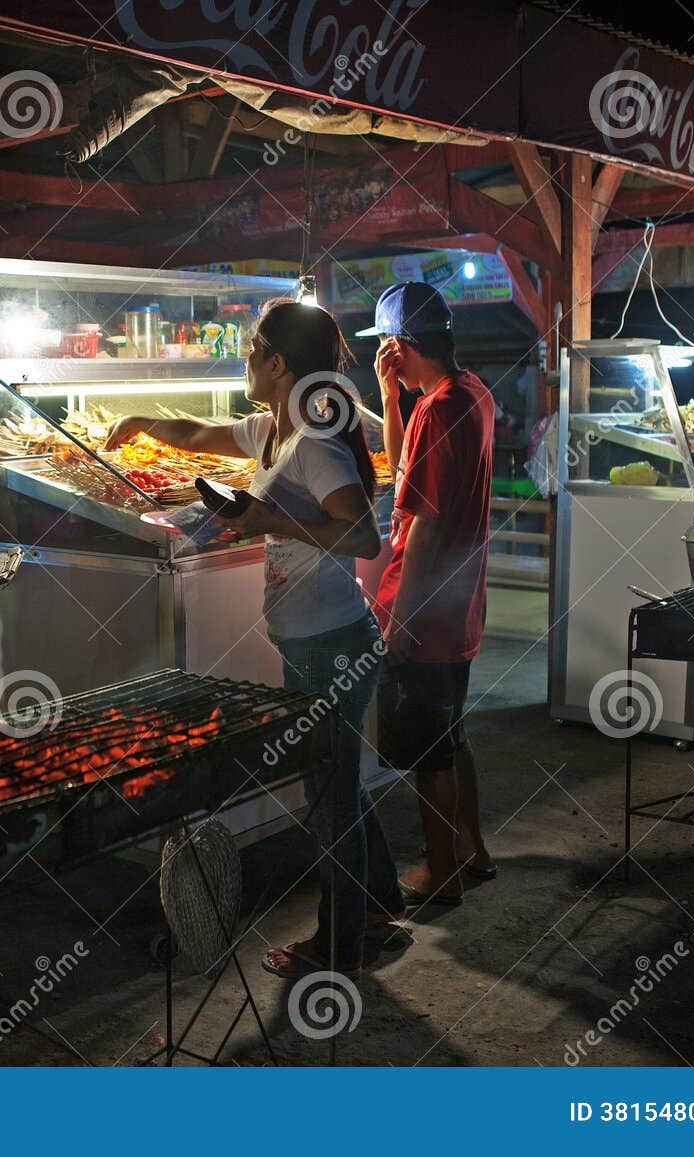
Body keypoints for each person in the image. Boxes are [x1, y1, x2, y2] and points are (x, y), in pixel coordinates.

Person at [105, 298, 402, 978]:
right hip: (314, 639)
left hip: (334, 645)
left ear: (277, 364)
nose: (243, 361)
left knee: (327, 797)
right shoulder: (273, 428)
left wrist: (272, 519)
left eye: (250, 352)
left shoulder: (315, 446)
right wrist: (144, 421)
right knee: (338, 783)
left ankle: (340, 946)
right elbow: (202, 430)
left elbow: (363, 535)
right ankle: (380, 902)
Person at [371, 281, 496, 908]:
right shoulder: (471, 394)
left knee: (428, 754)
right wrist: (392, 398)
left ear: (400, 343)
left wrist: (402, 621)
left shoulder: (438, 409)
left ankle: (440, 873)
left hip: (427, 609)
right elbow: (405, 474)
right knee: (451, 735)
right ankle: (473, 849)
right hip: (462, 604)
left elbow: (419, 519)